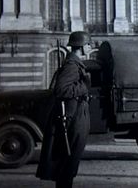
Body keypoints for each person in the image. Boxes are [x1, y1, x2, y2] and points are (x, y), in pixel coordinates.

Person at [36, 31, 92, 188]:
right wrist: (84, 86)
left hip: (75, 114)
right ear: (81, 47)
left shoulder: (75, 64)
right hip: (72, 118)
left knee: (69, 164)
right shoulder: (71, 66)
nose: (90, 47)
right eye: (88, 44)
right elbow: (61, 90)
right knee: (68, 164)